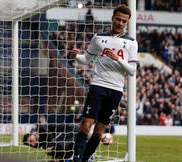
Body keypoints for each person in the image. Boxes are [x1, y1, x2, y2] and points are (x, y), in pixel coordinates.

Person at [69, 5, 138, 162]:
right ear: (112, 18)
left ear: (127, 22)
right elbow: (86, 59)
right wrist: (76, 55)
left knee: (99, 131)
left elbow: (132, 71)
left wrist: (118, 59)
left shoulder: (131, 42)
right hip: (98, 86)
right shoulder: (98, 37)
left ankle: (85, 158)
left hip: (115, 90)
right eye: (118, 19)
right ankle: (76, 158)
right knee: (86, 125)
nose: (120, 23)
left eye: (124, 21)